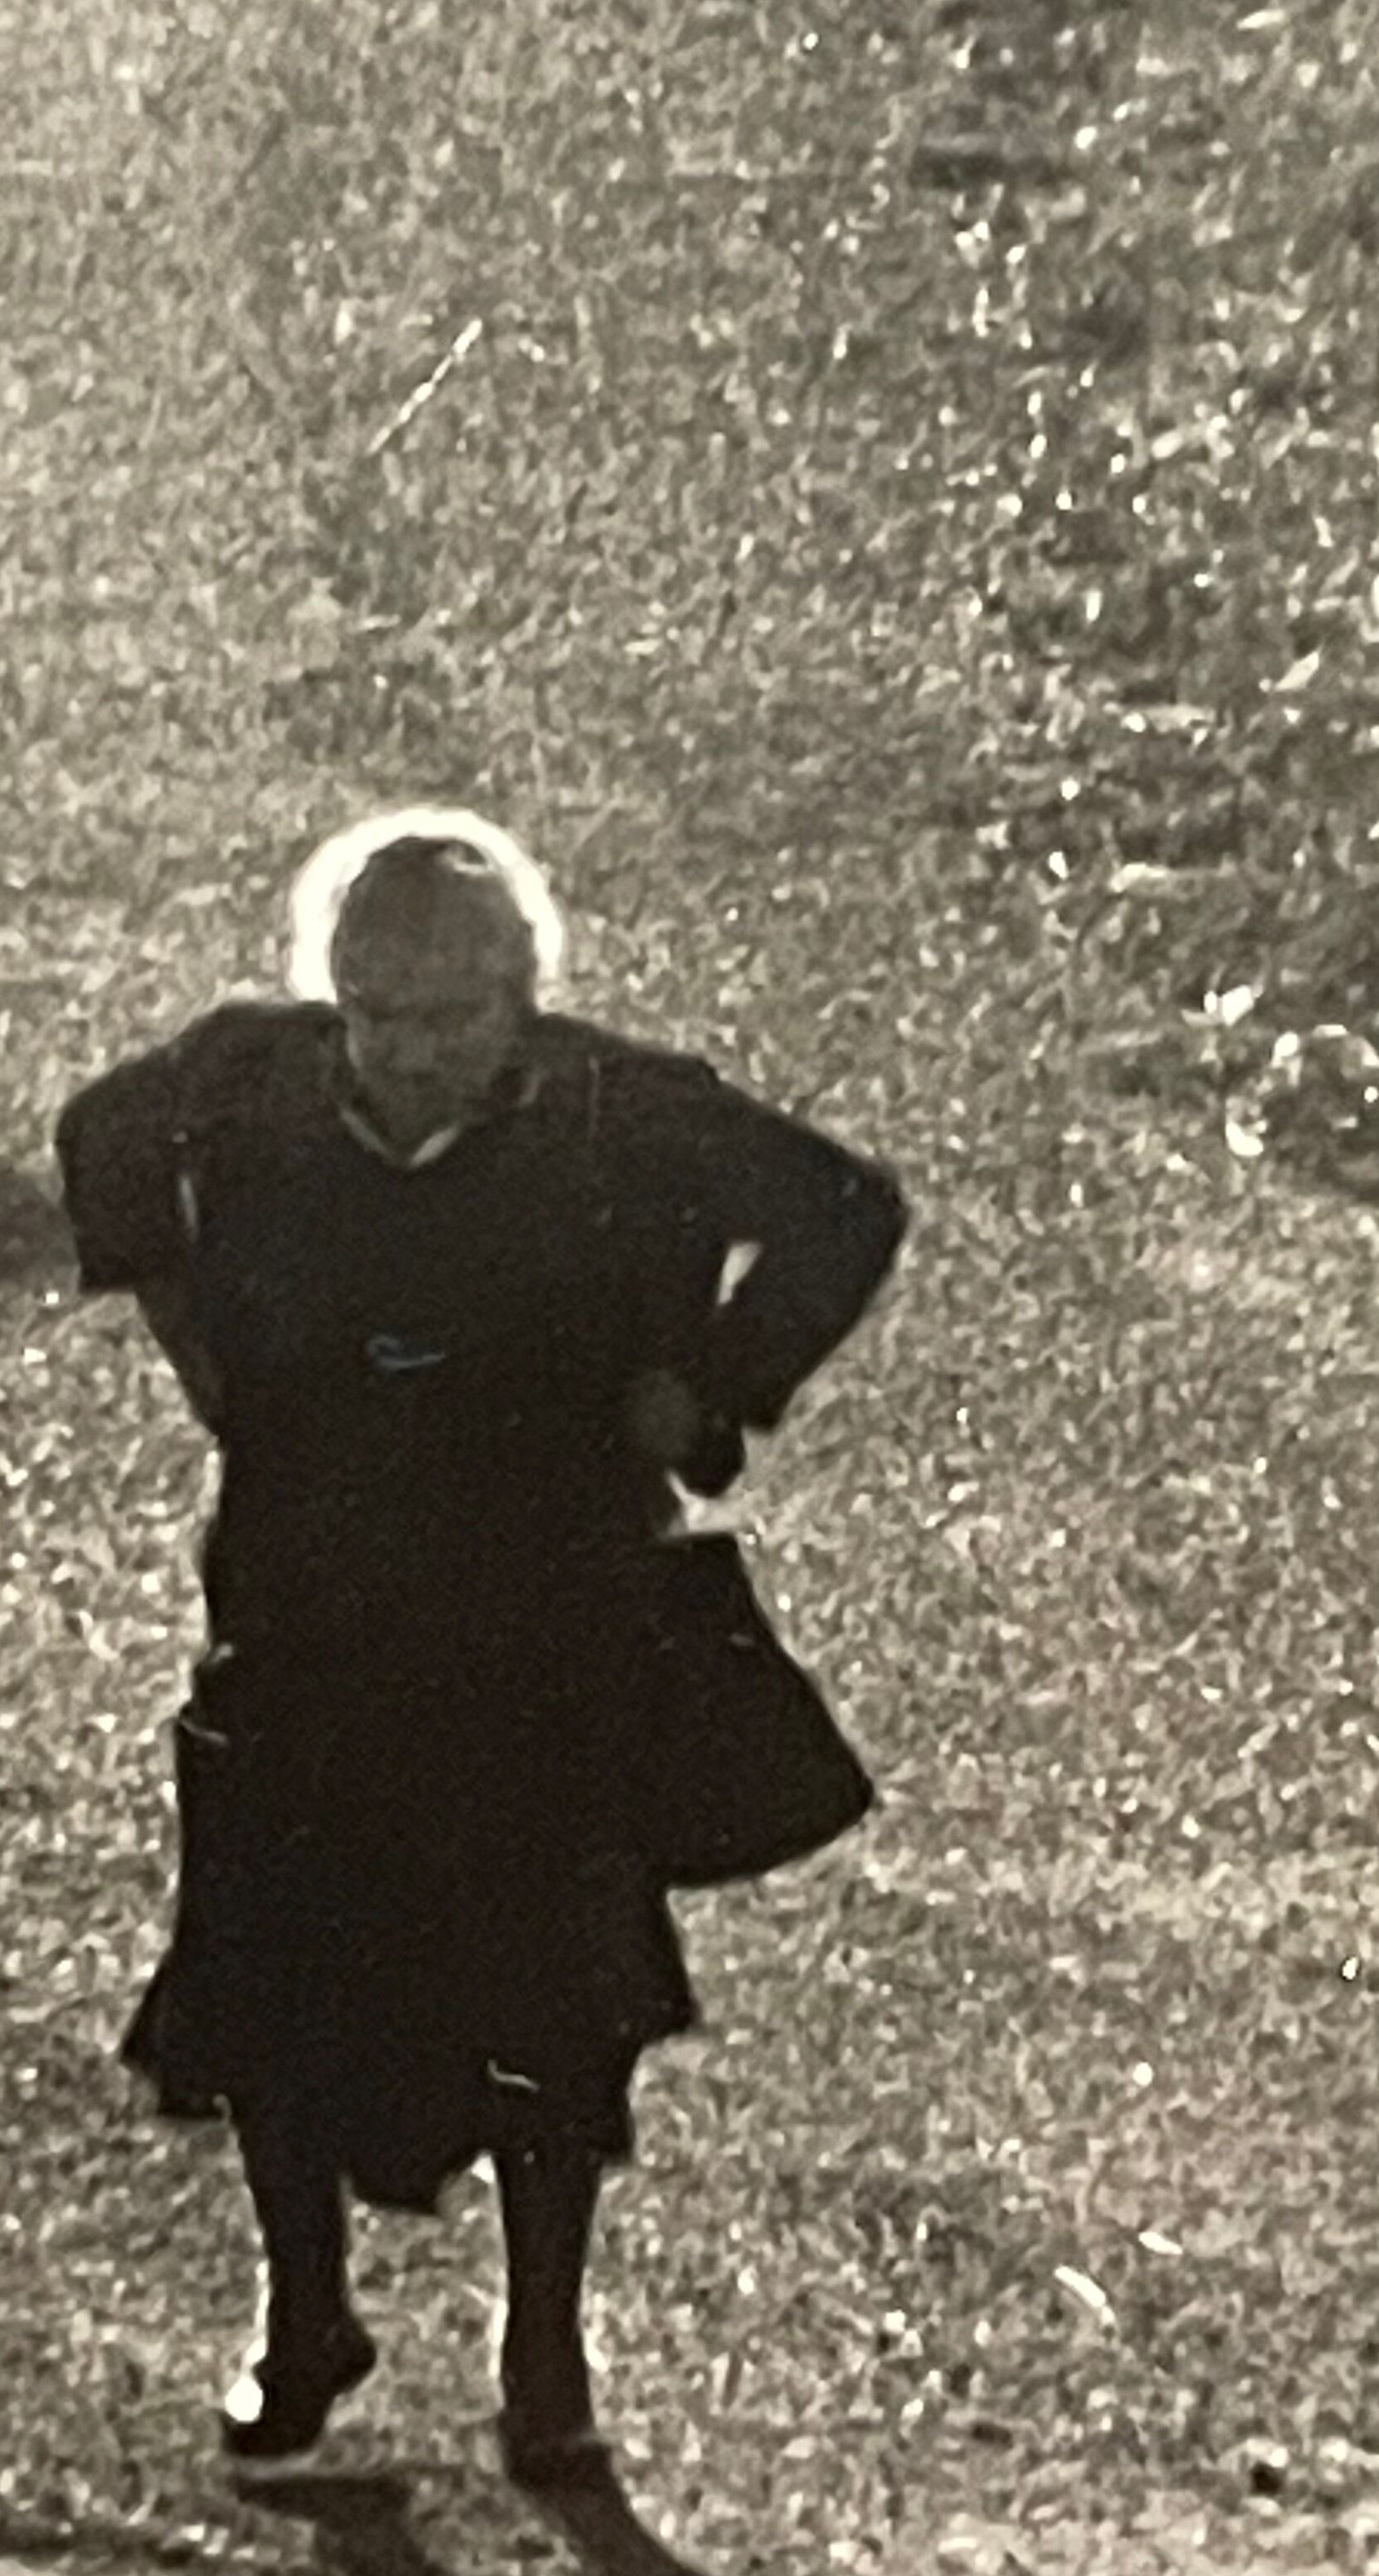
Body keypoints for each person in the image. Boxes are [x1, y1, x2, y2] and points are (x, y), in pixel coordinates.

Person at [54, 807, 906, 2477]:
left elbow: (844, 1209)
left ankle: (545, 2359)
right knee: (270, 1980)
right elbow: (102, 1138)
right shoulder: (250, 1084)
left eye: (449, 1013)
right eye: (373, 1009)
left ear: (524, 988)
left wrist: (709, 1388)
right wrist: (191, 1336)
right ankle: (304, 2316)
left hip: (548, 1611)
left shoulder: (622, 1114)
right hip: (305, 1597)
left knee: (552, 2003)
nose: (407, 1050)